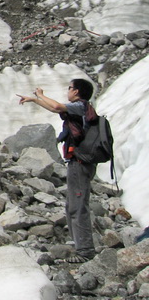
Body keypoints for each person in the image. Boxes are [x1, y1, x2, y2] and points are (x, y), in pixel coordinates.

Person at [17, 79, 97, 263]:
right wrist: (35, 100)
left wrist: (40, 95)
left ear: (76, 92)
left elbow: (56, 106)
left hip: (80, 162)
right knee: (72, 205)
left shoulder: (80, 106)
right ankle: (79, 245)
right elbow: (55, 108)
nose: (68, 91)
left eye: (69, 88)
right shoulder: (82, 107)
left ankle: (85, 251)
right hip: (77, 162)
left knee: (77, 205)